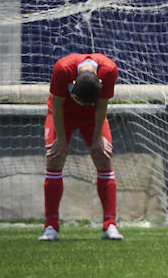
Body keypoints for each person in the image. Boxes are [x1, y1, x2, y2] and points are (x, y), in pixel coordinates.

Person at [38, 53, 124, 241]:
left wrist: (97, 139)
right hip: (62, 114)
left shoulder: (109, 70)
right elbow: (57, 104)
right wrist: (60, 138)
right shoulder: (62, 68)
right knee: (55, 158)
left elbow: (102, 106)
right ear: (73, 83)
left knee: (103, 156)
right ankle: (51, 226)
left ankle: (110, 225)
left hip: (92, 117)